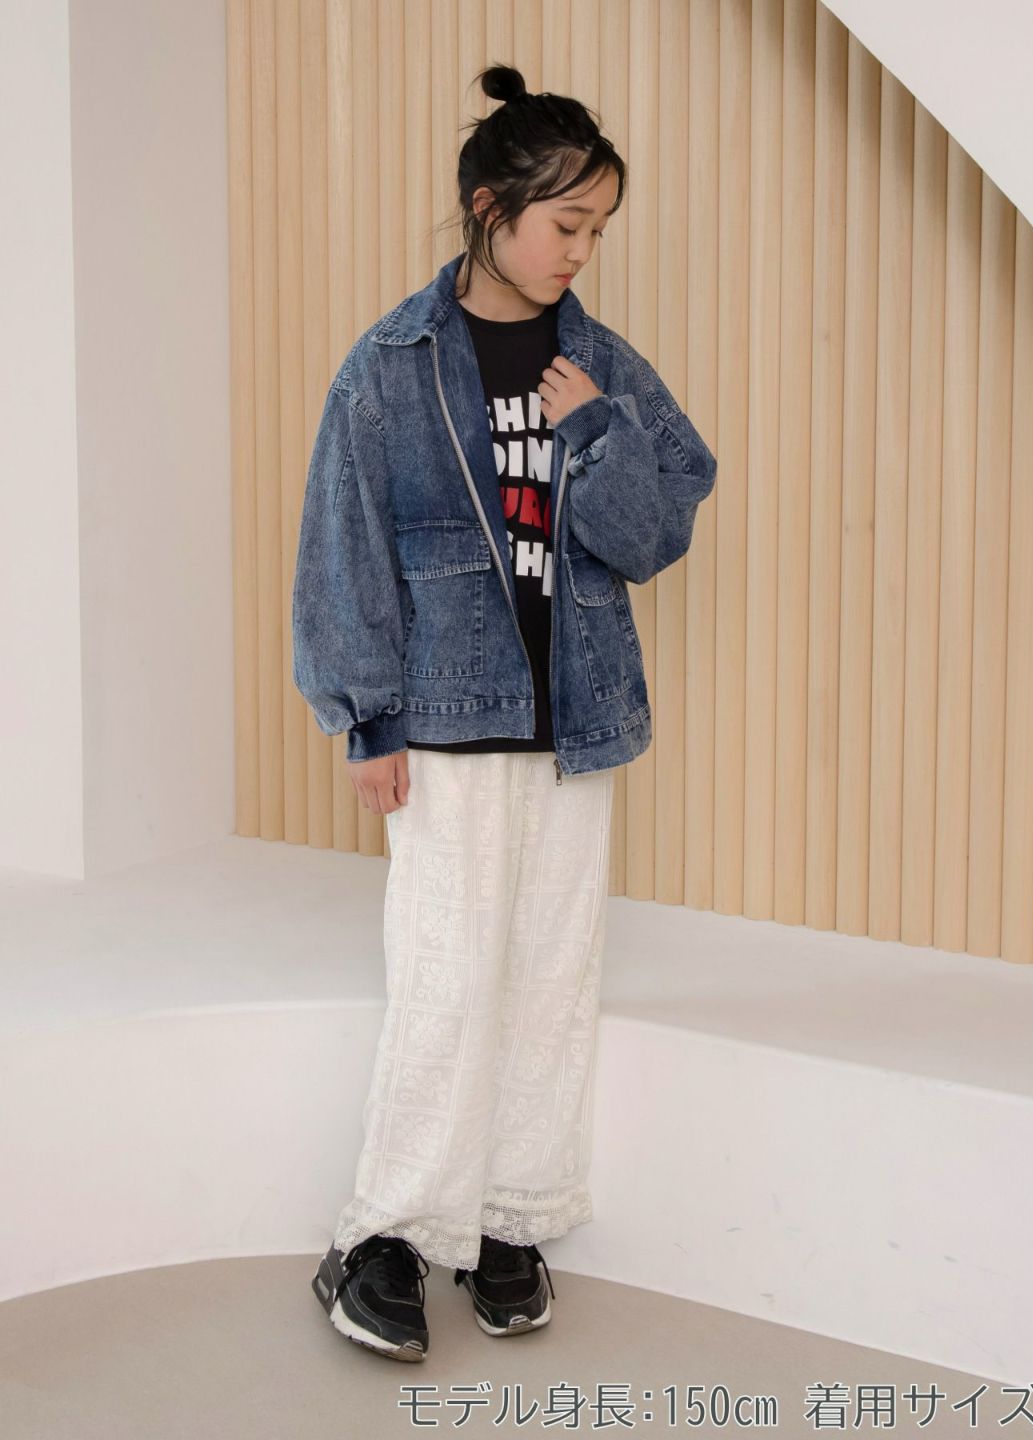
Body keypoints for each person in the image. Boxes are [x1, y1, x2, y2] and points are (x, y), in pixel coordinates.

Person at [293, 62, 717, 1361]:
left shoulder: (599, 364)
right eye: (566, 224)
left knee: (548, 977)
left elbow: (656, 532)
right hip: (444, 721)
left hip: (574, 724)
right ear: (491, 209)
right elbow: (345, 544)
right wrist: (367, 718)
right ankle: (385, 1235)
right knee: (446, 977)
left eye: (598, 229)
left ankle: (510, 1219)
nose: (581, 252)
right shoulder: (393, 365)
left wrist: (597, 438)